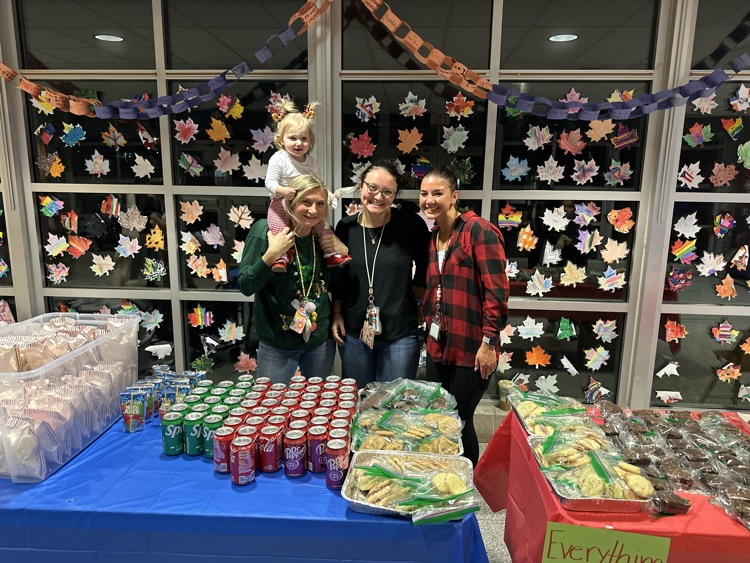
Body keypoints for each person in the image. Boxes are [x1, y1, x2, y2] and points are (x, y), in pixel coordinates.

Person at [419, 166, 509, 466]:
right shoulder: (433, 236)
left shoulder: (480, 231)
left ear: (454, 196)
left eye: (437, 193)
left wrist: (489, 343)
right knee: (440, 417)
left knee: (459, 418)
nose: (429, 200)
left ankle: (466, 483)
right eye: (424, 193)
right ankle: (444, 475)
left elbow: (497, 292)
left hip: (472, 347)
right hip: (439, 345)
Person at [331, 161, 429, 388]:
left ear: (395, 195)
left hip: (400, 333)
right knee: (359, 400)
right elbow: (339, 277)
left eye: (387, 192)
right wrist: (336, 313)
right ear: (361, 187)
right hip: (354, 331)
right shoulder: (345, 227)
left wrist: (418, 302)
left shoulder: (410, 224)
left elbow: (425, 268)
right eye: (372, 188)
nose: (378, 196)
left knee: (394, 404)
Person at [238, 175, 337, 384]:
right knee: (271, 406)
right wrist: (270, 256)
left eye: (320, 204)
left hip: (319, 340)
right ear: (291, 201)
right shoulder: (264, 231)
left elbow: (332, 282)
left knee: (316, 406)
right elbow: (246, 285)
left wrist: (342, 250)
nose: (313, 210)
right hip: (277, 343)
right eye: (306, 202)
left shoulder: (321, 236)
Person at [265, 100, 351, 272]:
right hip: (282, 202)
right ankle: (280, 258)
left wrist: (327, 194)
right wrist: (282, 190)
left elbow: (317, 183)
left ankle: (331, 253)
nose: (298, 143)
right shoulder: (279, 158)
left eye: (304, 139)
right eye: (292, 138)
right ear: (281, 139)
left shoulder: (311, 162)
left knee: (322, 224)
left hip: (306, 202)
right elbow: (269, 183)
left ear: (311, 140)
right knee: (278, 226)